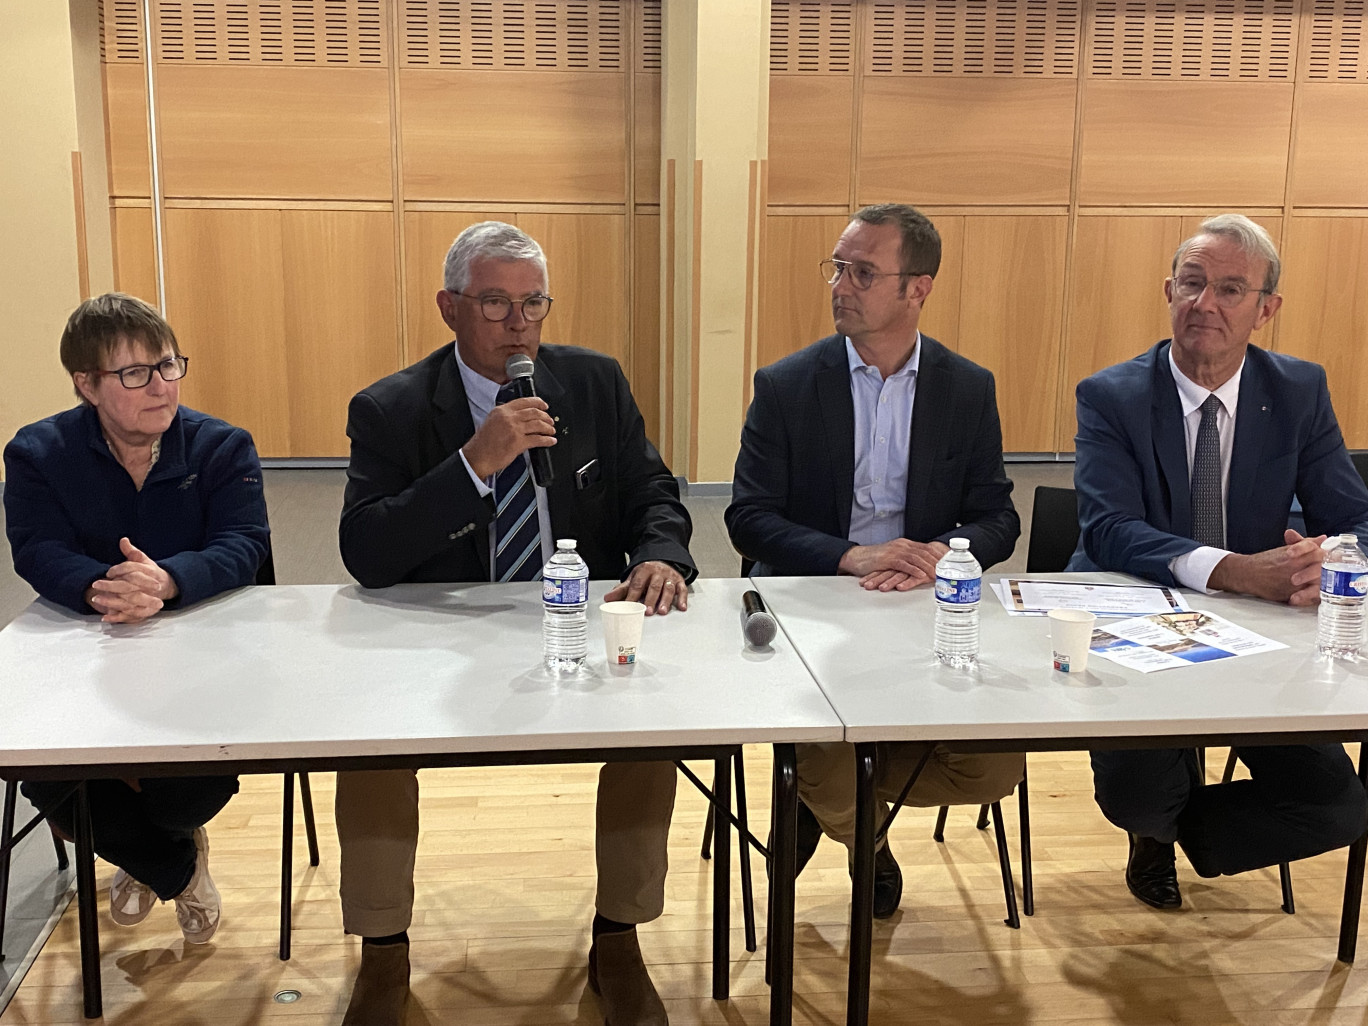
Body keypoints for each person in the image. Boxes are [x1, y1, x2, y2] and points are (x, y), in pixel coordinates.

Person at [336, 221, 696, 1026]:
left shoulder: (594, 383)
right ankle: (384, 954)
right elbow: (365, 550)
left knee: (656, 730)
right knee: (365, 745)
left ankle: (619, 937)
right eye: (496, 303)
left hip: (575, 617)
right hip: (441, 635)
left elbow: (652, 491)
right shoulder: (392, 408)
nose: (519, 324)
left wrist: (663, 554)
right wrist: (475, 463)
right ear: (450, 308)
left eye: (534, 303)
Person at [726, 203, 1025, 918]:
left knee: (994, 768)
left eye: (864, 272)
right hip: (814, 600)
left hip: (924, 602)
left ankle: (822, 803)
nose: (841, 285)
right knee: (822, 744)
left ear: (916, 288)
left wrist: (940, 554)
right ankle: (867, 841)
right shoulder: (788, 385)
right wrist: (851, 556)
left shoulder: (966, 387)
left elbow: (1000, 518)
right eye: (837, 268)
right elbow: (747, 518)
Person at [1070, 213, 1368, 910]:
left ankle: (1188, 834)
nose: (1206, 304)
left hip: (1261, 641)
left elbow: (1355, 520)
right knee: (1138, 800)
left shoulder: (1297, 390)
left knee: (1340, 808)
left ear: (1266, 309)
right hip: (1135, 625)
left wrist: (1333, 560)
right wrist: (1235, 568)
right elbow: (1108, 530)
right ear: (1168, 290)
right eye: (1193, 284)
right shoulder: (1111, 395)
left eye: (1231, 289)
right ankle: (1153, 831)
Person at [3, 292, 270, 944]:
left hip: (202, 655)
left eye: (169, 365)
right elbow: (37, 549)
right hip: (85, 647)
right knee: (36, 766)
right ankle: (173, 865)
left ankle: (151, 844)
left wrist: (168, 580)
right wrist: (100, 589)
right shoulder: (39, 453)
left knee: (185, 793)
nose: (160, 385)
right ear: (87, 384)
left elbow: (245, 545)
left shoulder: (221, 446)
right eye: (134, 373)